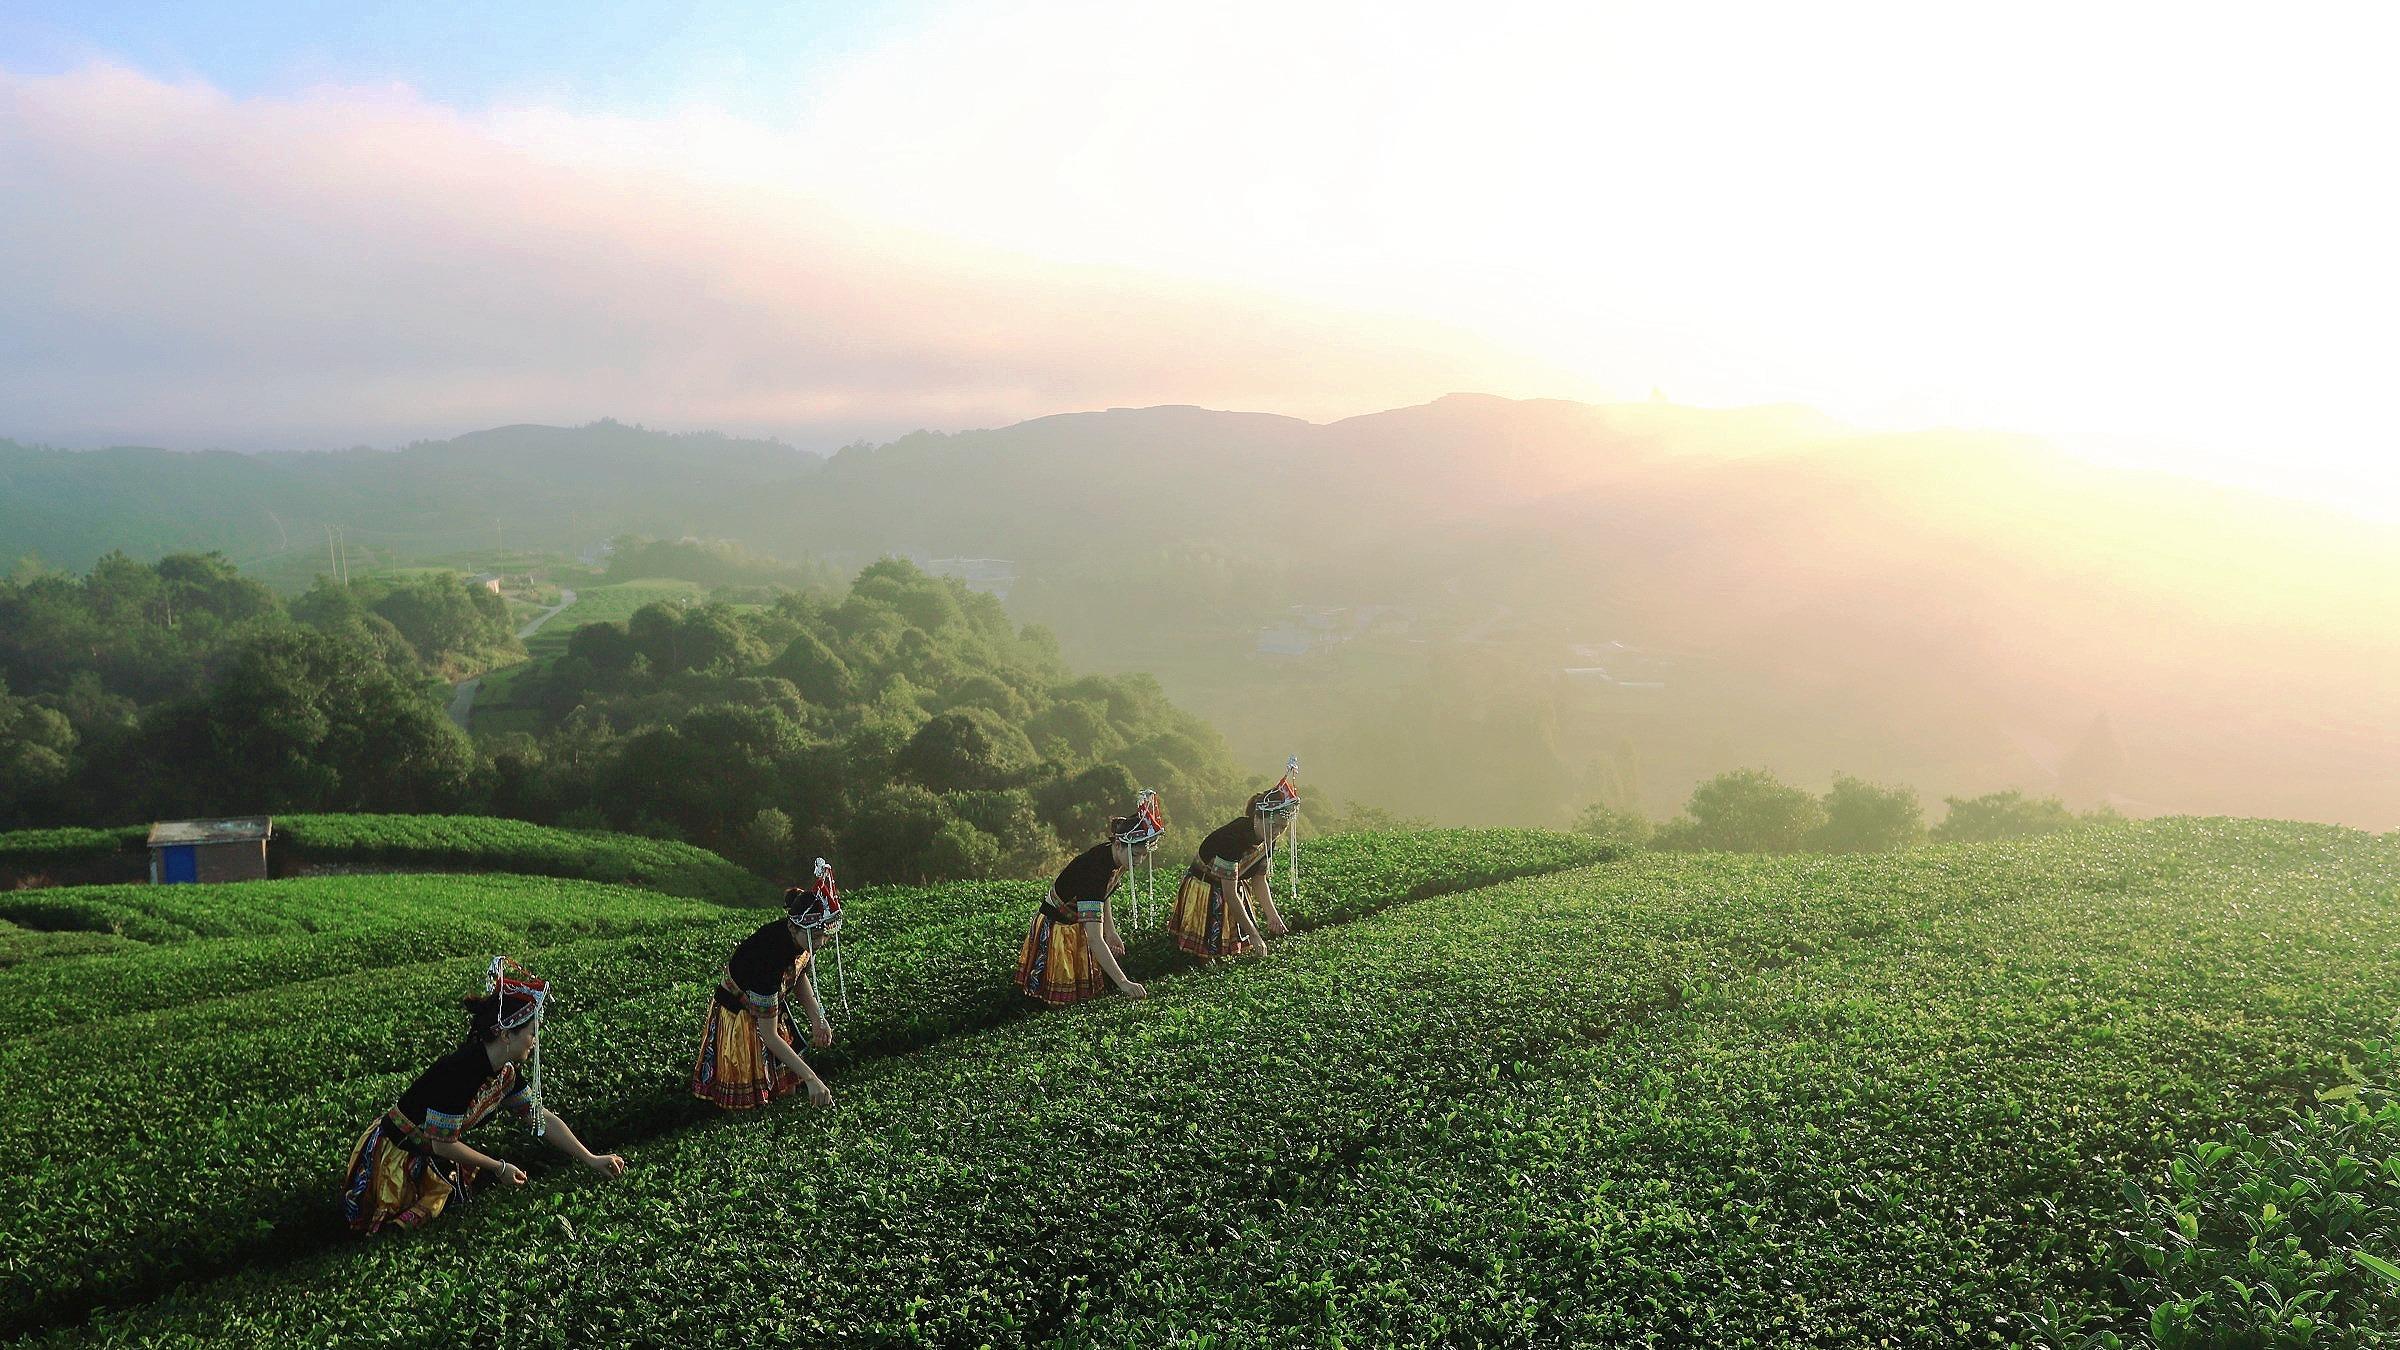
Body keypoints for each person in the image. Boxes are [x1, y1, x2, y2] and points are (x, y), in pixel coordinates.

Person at [342, 957, 626, 1235]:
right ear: (506, 1036)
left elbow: (539, 1118)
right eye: (531, 1032)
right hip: (397, 1158)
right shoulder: (461, 1070)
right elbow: (442, 1145)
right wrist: (498, 1167)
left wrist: (591, 1158)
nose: (535, 1040)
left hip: (429, 1156)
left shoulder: (505, 1072)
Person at [692, 860, 843, 1110]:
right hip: (741, 1018)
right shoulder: (768, 959)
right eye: (816, 936)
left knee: (785, 1089)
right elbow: (769, 1035)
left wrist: (817, 1017)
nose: (821, 942)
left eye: (824, 936)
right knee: (754, 1103)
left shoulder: (800, 941)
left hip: (768, 1009)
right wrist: (812, 1079)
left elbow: (798, 975)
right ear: (795, 927)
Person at [1016, 793, 1165, 1005]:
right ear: (1119, 845)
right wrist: (1124, 982)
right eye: (1135, 854)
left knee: (1082, 997)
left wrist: (1110, 931)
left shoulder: (1113, 857)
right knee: (1059, 1001)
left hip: (1076, 923)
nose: (1139, 861)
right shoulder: (1094, 871)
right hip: (1058, 928)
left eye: (1142, 855)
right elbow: (1094, 937)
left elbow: (1103, 895)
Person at [1168, 760, 1301, 959]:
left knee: (1235, 951)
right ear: (1257, 818)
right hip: (1207, 887)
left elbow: (1258, 879)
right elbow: (1229, 895)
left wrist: (1272, 915)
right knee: (1206, 954)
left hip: (1233, 886)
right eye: (1273, 825)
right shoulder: (1232, 839)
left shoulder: (1268, 839)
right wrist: (1254, 935)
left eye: (1282, 827)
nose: (1277, 832)